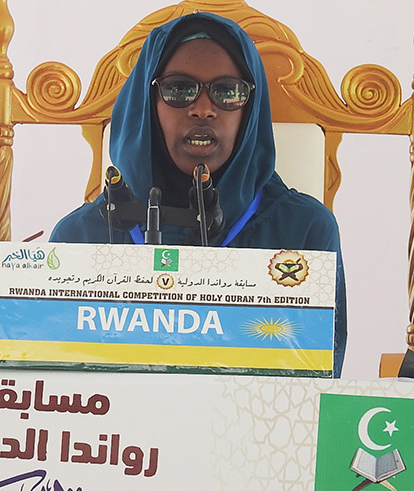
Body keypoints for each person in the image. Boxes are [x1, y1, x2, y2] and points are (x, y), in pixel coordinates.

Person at [50, 12, 347, 377]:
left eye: (227, 92)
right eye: (178, 89)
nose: (203, 108)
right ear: (147, 104)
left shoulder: (303, 232)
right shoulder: (80, 238)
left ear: (250, 110)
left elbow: (317, 386)